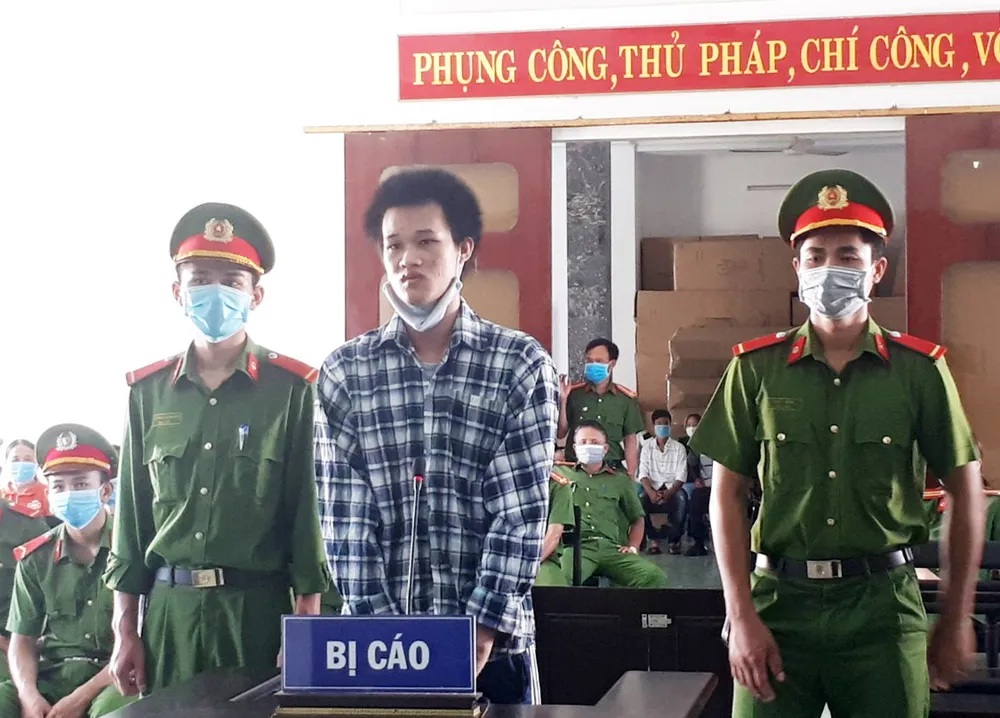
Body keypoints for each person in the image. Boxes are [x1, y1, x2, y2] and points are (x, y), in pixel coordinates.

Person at [690, 169, 983, 717]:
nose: (830, 268)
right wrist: (741, 614)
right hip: (778, 605)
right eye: (816, 256)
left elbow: (966, 492)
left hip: (883, 609)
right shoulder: (755, 369)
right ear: (797, 269)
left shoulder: (920, 371)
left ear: (877, 271)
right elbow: (724, 495)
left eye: (847, 256)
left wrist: (955, 615)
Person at [315, 168, 559, 705]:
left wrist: (480, 631)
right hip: (379, 649)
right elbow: (344, 519)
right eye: (394, 245)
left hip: (494, 649)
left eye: (426, 241)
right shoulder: (345, 372)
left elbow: (519, 513)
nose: (409, 259)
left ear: (463, 249)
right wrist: (382, 636)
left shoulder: (518, 365)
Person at [104, 203, 330, 695]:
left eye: (231, 281)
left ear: (256, 295)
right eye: (201, 279)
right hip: (170, 614)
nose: (216, 292)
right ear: (177, 292)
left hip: (256, 613)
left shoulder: (290, 390)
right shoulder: (148, 393)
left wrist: (306, 622)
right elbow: (132, 521)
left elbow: (306, 513)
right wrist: (124, 629)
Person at [0, 424, 135, 718]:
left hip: (112, 675)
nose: (69, 494)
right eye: (59, 487)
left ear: (105, 491)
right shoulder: (36, 558)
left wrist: (79, 698)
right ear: (49, 494)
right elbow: (22, 640)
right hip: (51, 674)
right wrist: (28, 696)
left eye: (81, 484)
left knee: (116, 712)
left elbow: (141, 640)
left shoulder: (132, 551)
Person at [553, 421, 667, 588]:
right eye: (583, 442)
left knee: (654, 577)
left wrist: (633, 547)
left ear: (605, 449)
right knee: (558, 581)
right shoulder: (560, 475)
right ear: (575, 448)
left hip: (611, 549)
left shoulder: (620, 480)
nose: (588, 446)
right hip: (575, 548)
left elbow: (637, 518)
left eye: (595, 442)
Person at [0, 447, 50, 684]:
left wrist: (13, 646)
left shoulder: (31, 526)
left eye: (27, 459)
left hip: (19, 639)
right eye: (16, 459)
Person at [559, 339, 644, 478]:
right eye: (589, 361)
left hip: (611, 469)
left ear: (612, 364)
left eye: (598, 361)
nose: (593, 365)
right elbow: (561, 433)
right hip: (577, 469)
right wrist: (563, 401)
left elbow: (630, 440)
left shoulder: (625, 399)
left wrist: (631, 474)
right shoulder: (573, 394)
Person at [637, 410, 688, 555]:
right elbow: (643, 474)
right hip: (653, 489)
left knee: (682, 498)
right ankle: (653, 540)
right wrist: (651, 492)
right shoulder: (647, 449)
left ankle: (674, 540)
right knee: (640, 500)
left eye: (666, 424)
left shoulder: (679, 448)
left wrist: (670, 493)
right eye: (659, 424)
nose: (663, 427)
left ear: (670, 425)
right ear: (653, 426)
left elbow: (681, 475)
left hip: (673, 489)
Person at [535, 465, 576, 587]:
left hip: (542, 558)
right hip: (499, 556)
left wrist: (528, 564)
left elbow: (554, 535)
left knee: (550, 593)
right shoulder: (497, 483)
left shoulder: (556, 485)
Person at [3, 441, 56, 528]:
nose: (21, 464)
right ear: (6, 463)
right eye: (15, 460)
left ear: (37, 464)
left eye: (28, 459)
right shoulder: (1, 494)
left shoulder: (49, 494)